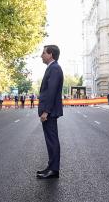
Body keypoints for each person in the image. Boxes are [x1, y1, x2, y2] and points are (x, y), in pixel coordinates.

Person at [36, 45, 63, 179]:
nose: (41, 55)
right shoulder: (52, 68)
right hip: (49, 111)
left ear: (50, 54)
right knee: (50, 140)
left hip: (49, 112)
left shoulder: (54, 68)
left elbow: (51, 92)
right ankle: (51, 166)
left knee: (52, 140)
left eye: (43, 53)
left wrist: (46, 111)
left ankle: (54, 170)